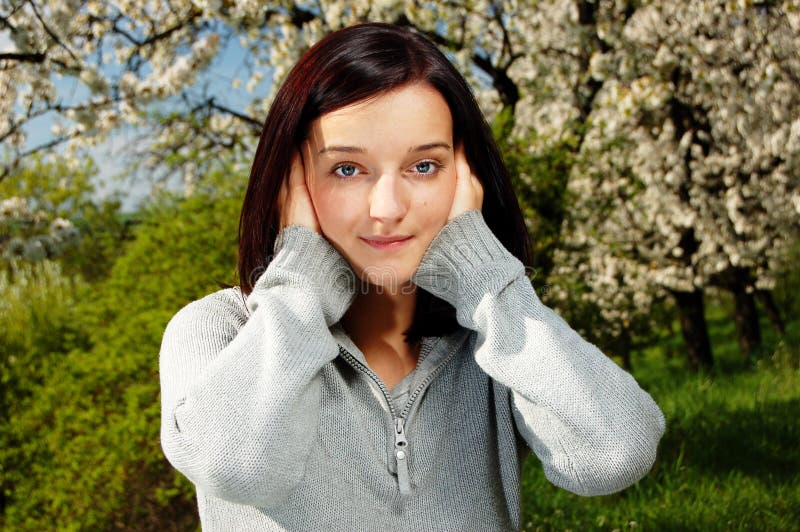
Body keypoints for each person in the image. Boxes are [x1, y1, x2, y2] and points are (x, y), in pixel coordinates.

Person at [159, 22, 666, 531]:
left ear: (466, 177)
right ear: (290, 182)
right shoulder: (217, 332)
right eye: (347, 169)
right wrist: (300, 289)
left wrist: (486, 277)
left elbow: (618, 451)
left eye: (424, 166)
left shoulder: (496, 334)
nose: (388, 208)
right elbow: (238, 465)